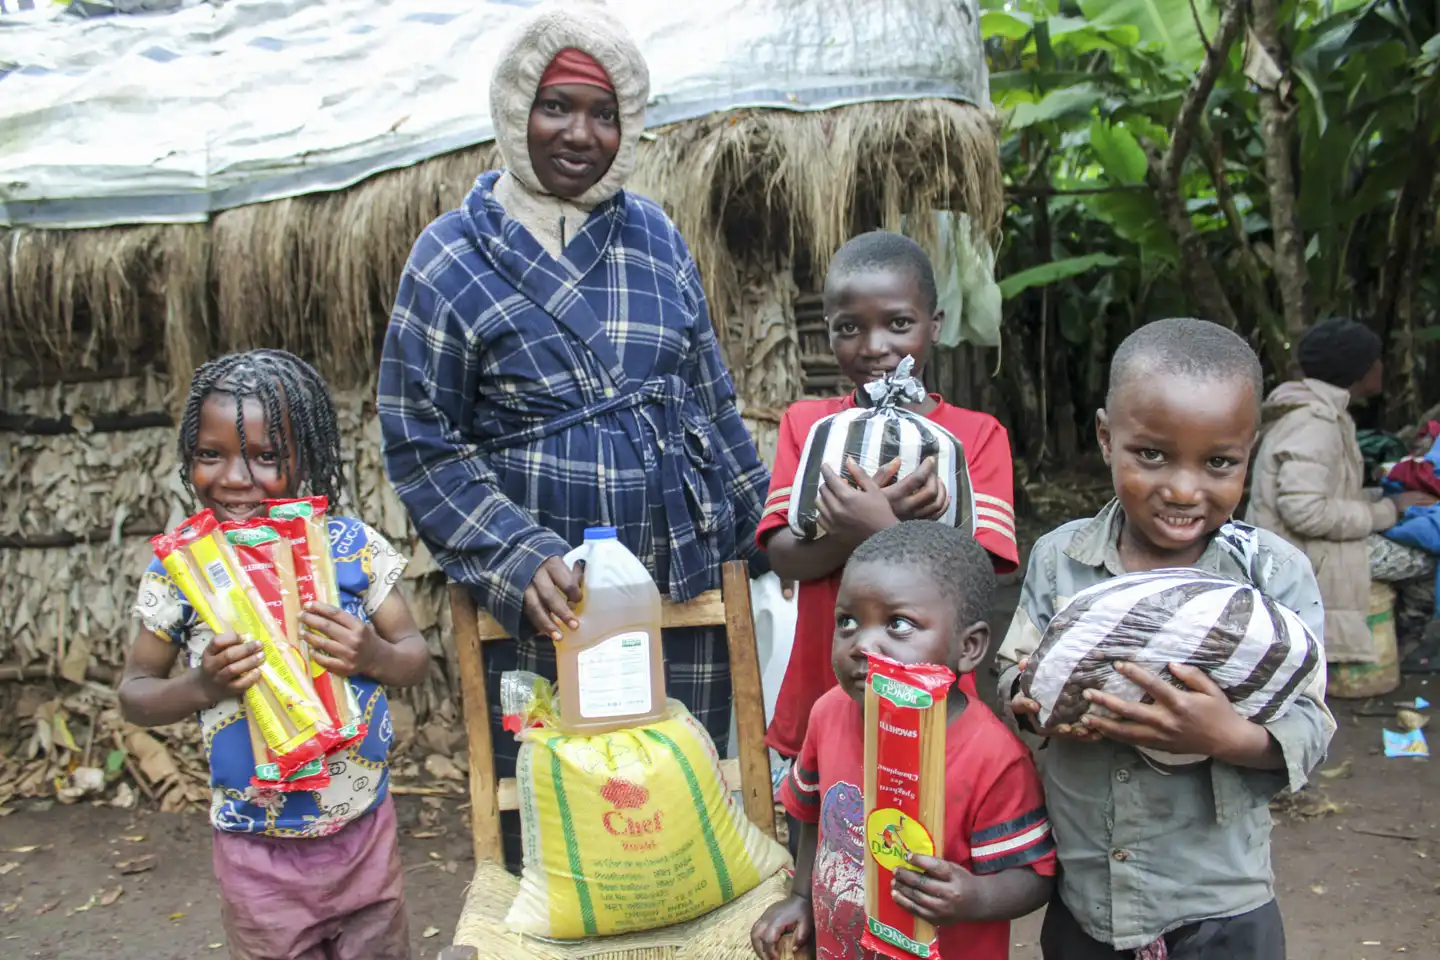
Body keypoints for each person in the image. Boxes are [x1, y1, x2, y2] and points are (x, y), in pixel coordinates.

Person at [377, 4, 770, 866]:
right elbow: (420, 440)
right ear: (517, 109)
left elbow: (711, 404)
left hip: (677, 587)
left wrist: (768, 533)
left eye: (603, 112)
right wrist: (517, 558)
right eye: (556, 105)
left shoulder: (657, 240)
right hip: (545, 607)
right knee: (559, 818)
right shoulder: (448, 257)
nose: (578, 133)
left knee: (677, 801)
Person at [997, 318, 1335, 960]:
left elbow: (1311, 723)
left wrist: (1226, 738)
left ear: (1249, 451)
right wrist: (1033, 701)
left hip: (1218, 906)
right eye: (1151, 454)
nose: (1183, 488)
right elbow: (1016, 672)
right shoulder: (1059, 557)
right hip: (1087, 899)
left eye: (1218, 463)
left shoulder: (1273, 575)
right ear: (1106, 437)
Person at [120, 350, 430, 960]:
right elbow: (135, 695)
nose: (236, 478)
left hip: (363, 830)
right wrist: (203, 687)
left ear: (306, 460)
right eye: (212, 454)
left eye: (266, 457)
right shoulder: (182, 572)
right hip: (256, 851)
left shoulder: (349, 548)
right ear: (189, 459)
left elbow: (415, 657)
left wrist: (371, 653)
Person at [755, 231, 1018, 846]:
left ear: (935, 324)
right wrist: (864, 532)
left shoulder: (976, 436)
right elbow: (780, 553)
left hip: (934, 708)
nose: (875, 347)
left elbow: (988, 571)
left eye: (898, 323)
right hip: (822, 692)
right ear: (828, 331)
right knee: (820, 860)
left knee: (921, 855)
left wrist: (881, 530)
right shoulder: (808, 425)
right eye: (850, 328)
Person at [750, 521, 1054, 960]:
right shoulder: (828, 714)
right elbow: (815, 816)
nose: (862, 645)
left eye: (898, 624)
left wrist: (974, 897)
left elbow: (1034, 877)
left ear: (968, 647)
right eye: (847, 622)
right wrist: (801, 896)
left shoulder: (993, 758)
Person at [1248, 317, 1437, 661]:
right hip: (1301, 551)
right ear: (1361, 368)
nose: (1382, 366)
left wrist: (1384, 498)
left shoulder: (1312, 410)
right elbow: (1305, 513)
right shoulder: (1316, 424)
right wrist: (1388, 509)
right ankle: (1405, 646)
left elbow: (1321, 496)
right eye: (1377, 359)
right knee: (1425, 558)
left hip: (1298, 541)